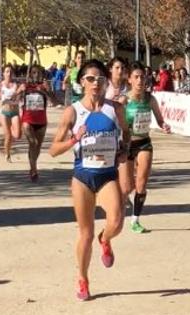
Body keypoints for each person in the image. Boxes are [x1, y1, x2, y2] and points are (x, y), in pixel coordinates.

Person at [49, 59, 129, 300]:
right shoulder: (72, 112)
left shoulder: (115, 108)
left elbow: (126, 131)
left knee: (116, 221)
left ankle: (105, 239)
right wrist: (74, 139)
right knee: (85, 233)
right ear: (81, 82)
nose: (96, 83)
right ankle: (83, 278)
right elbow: (53, 150)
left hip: (107, 174)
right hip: (83, 176)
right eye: (91, 79)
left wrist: (124, 149)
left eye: (100, 79)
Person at [120, 62, 171, 233]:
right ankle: (120, 204)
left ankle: (135, 220)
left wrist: (164, 125)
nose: (140, 80)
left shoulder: (150, 99)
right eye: (136, 77)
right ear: (129, 80)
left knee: (141, 184)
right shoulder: (124, 100)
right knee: (127, 187)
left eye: (142, 77)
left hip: (144, 142)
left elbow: (159, 118)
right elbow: (114, 121)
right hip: (126, 145)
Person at [18, 64, 55, 182]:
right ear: (30, 74)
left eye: (38, 73)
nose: (36, 75)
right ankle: (34, 170)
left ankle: (33, 166)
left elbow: (54, 101)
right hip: (27, 120)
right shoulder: (25, 86)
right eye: (34, 72)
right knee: (33, 143)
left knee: (37, 146)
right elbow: (14, 99)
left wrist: (45, 91)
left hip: (41, 121)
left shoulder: (44, 86)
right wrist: (19, 91)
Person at [0, 64, 21, 161]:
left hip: (15, 112)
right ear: (3, 73)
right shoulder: (0, 85)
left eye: (11, 72)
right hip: (4, 112)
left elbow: (18, 99)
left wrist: (17, 94)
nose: (9, 74)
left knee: (17, 135)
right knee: (8, 136)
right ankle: (7, 154)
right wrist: (0, 95)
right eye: (7, 71)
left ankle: (11, 129)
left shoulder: (16, 85)